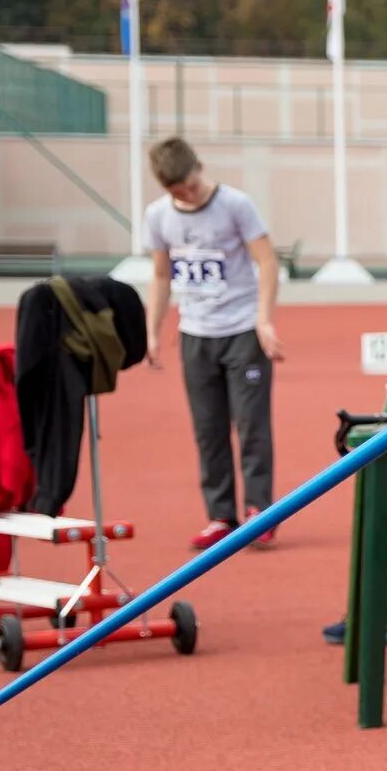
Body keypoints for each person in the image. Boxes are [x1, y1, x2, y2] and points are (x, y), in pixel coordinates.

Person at [142, 137, 283, 548]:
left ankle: (261, 511)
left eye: (189, 185)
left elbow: (268, 261)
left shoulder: (235, 205)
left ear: (199, 169)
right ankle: (221, 515)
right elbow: (161, 275)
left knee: (251, 425)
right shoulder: (158, 216)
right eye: (175, 191)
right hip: (195, 334)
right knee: (208, 429)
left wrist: (264, 321)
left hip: (241, 330)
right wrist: (153, 329)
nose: (185, 195)